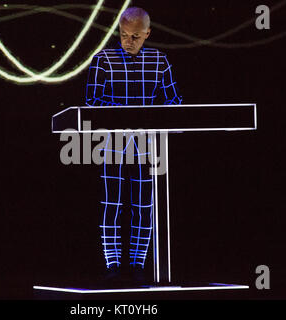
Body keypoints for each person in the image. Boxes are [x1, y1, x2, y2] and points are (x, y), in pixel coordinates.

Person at [85, 7, 183, 284]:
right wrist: (128, 115)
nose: (128, 41)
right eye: (124, 35)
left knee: (144, 206)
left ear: (148, 33)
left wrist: (149, 118)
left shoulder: (160, 61)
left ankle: (139, 265)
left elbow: (174, 103)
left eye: (136, 36)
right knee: (112, 204)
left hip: (149, 146)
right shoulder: (102, 60)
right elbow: (92, 102)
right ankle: (112, 266)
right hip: (112, 143)